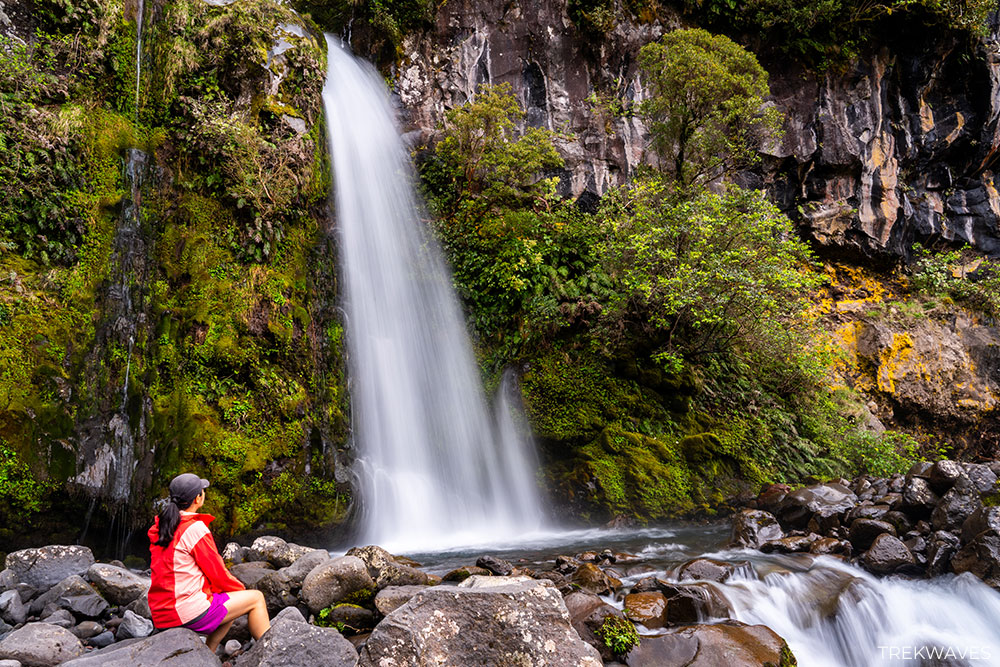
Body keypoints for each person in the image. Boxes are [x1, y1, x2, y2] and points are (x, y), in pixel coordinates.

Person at [148, 473, 270, 652]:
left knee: (226, 602)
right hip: (183, 613)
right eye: (203, 491)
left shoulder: (162, 526)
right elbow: (217, 573)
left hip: (161, 613)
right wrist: (240, 590)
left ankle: (209, 654)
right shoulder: (194, 528)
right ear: (198, 498)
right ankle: (273, 650)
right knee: (255, 598)